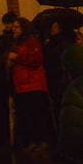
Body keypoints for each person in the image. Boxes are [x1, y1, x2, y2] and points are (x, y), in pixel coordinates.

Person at [8, 17, 51, 151]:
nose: (14, 29)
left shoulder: (32, 41)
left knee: (35, 114)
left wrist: (17, 58)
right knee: (25, 115)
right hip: (21, 84)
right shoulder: (16, 43)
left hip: (32, 83)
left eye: (17, 27)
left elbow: (36, 59)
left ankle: (39, 141)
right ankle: (29, 141)